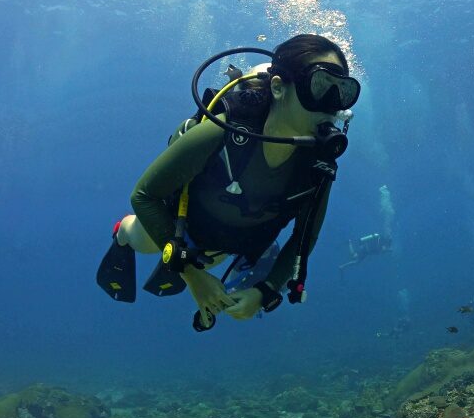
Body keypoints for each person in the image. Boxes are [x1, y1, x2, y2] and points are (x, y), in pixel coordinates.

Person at [97, 34, 360, 331]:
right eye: (320, 86)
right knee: (142, 241)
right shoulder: (223, 131)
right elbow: (144, 195)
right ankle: (123, 232)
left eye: (342, 92)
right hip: (177, 221)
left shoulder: (319, 166)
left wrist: (264, 292)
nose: (331, 107)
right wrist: (190, 275)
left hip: (225, 245)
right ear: (278, 87)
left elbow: (303, 240)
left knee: (206, 263)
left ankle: (185, 259)